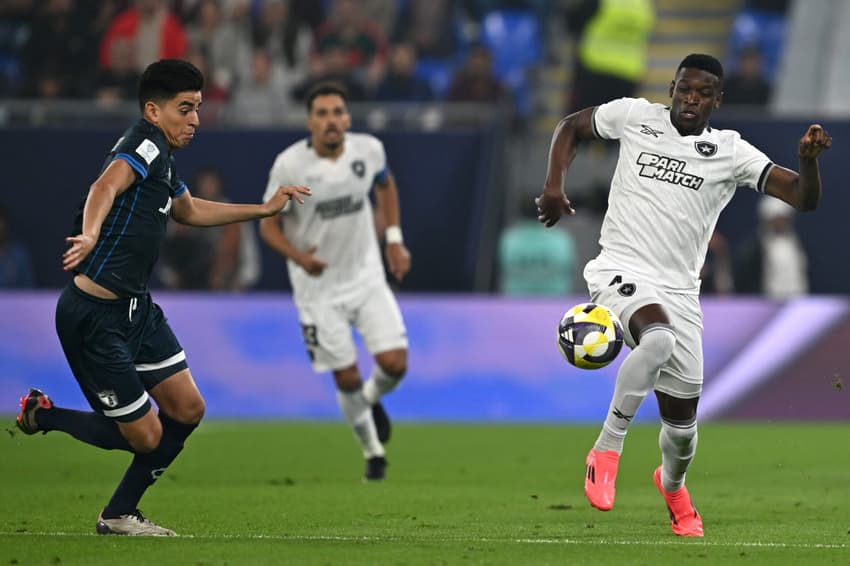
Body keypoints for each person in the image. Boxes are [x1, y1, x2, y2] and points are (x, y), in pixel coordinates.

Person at [536, 53, 831, 537]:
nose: (690, 99)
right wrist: (553, 186)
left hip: (680, 291)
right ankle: (606, 449)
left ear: (718, 99)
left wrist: (806, 161)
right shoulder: (636, 117)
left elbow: (803, 197)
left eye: (702, 93)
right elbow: (571, 126)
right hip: (620, 270)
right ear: (671, 87)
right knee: (657, 339)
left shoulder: (731, 152)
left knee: (681, 431)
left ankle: (672, 488)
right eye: (683, 89)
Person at [13, 59, 310, 536]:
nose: (195, 119)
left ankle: (118, 516)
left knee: (188, 410)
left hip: (136, 310)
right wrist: (90, 235)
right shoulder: (144, 142)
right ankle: (43, 415)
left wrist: (265, 208)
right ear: (153, 110)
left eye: (197, 108)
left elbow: (188, 210)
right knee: (147, 436)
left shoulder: (163, 156)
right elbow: (105, 185)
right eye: (185, 108)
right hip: (96, 318)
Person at [259, 82, 411, 482]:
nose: (332, 121)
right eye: (323, 114)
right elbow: (268, 225)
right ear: (310, 121)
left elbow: (385, 185)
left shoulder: (369, 150)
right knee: (344, 373)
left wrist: (394, 239)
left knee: (395, 363)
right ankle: (373, 453)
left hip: (366, 277)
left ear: (347, 117)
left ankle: (368, 399)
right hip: (318, 290)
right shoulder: (289, 165)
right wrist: (299, 258)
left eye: (338, 112)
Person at [734, 196, 809, 298]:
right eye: (777, 218)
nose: (780, 222)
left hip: (797, 300)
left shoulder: (797, 242)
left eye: (784, 218)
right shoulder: (753, 248)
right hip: (767, 301)